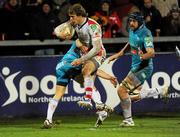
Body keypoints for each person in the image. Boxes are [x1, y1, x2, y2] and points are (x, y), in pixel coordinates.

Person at [43, 24, 117, 128]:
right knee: (89, 80)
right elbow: (79, 43)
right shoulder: (83, 44)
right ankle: (100, 105)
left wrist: (109, 77)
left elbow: (95, 70)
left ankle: (48, 120)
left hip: (60, 67)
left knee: (58, 94)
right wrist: (109, 77)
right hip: (70, 64)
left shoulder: (86, 47)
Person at [108, 12, 169, 127]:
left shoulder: (146, 34)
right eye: (130, 21)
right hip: (135, 66)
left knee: (121, 90)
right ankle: (160, 90)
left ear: (140, 22)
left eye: (133, 21)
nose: (131, 23)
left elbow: (151, 53)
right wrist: (120, 53)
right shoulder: (132, 30)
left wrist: (142, 56)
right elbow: (130, 42)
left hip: (144, 67)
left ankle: (128, 120)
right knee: (131, 97)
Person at [67, 4, 107, 109]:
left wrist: (81, 60)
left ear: (80, 15)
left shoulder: (93, 26)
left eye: (73, 16)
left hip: (98, 54)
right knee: (81, 78)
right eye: (70, 17)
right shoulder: (75, 24)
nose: (70, 19)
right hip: (85, 54)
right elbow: (73, 38)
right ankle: (101, 107)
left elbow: (97, 48)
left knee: (86, 71)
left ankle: (88, 99)